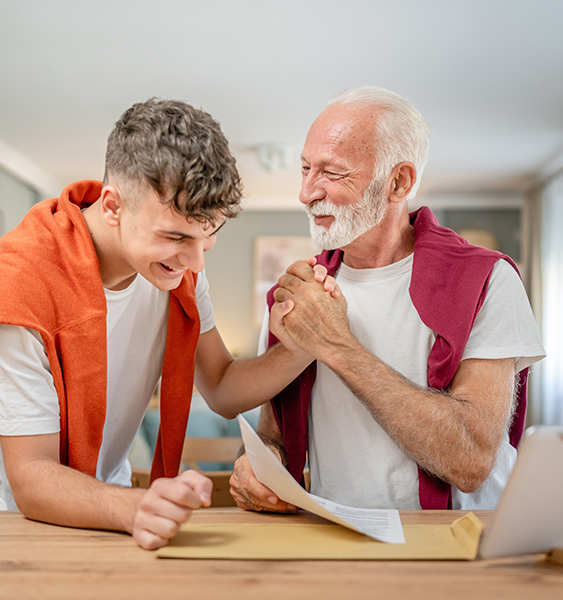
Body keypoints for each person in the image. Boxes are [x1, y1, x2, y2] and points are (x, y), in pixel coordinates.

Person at [0, 98, 319, 550]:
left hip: (104, 513)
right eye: (176, 237)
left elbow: (220, 385)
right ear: (113, 206)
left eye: (209, 235)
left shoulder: (177, 268)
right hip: (2, 527)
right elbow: (30, 476)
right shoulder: (22, 287)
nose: (195, 260)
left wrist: (303, 346)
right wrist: (135, 506)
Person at [229, 87, 545, 512]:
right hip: (339, 542)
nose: (306, 193)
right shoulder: (298, 290)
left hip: (460, 549)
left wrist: (339, 348)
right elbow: (275, 432)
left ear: (399, 182)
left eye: (332, 173)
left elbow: (472, 460)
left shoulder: (487, 279)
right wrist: (259, 465)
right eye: (305, 168)